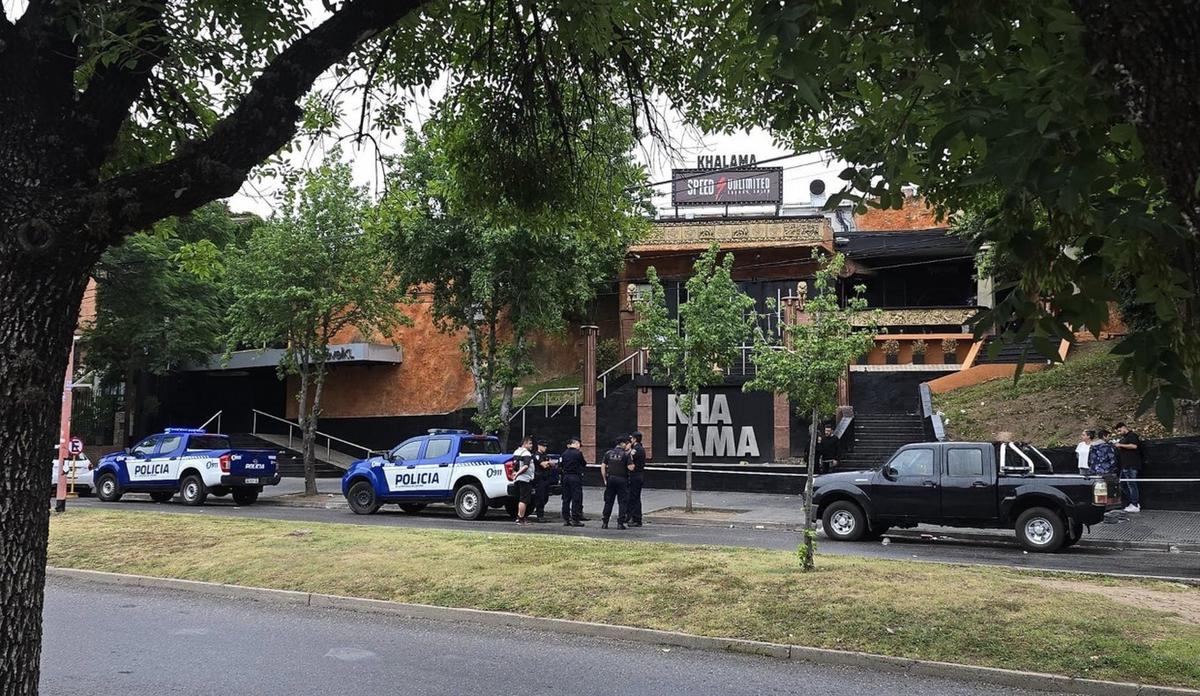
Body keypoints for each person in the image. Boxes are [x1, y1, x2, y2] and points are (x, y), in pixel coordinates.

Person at [600, 435, 631, 530]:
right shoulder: (626, 454)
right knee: (622, 501)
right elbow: (631, 467)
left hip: (611, 479)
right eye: (626, 444)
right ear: (622, 444)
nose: (627, 445)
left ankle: (605, 522)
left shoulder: (608, 453)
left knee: (608, 501)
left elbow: (603, 466)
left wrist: (605, 479)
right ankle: (620, 523)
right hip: (622, 480)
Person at [1114, 422, 1143, 512]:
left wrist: (1120, 445)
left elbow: (1134, 446)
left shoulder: (1132, 435)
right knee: (1122, 484)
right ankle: (1133, 502)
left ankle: (1135, 503)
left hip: (1131, 464)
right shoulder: (1125, 438)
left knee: (1131, 484)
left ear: (1124, 427)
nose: (1119, 432)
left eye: (1119, 430)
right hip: (1125, 465)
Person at [558, 436, 586, 526]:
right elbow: (583, 463)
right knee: (576, 498)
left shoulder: (564, 453)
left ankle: (566, 519)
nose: (579, 446)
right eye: (578, 444)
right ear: (575, 443)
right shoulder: (578, 453)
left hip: (565, 477)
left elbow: (560, 465)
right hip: (575, 477)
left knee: (566, 498)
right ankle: (575, 519)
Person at [511, 435, 536, 525]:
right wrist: (517, 474)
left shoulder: (516, 452)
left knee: (521, 499)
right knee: (524, 500)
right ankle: (520, 518)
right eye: (530, 443)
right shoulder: (526, 453)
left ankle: (520, 517)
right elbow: (526, 466)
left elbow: (514, 465)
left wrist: (515, 474)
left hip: (518, 479)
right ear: (525, 443)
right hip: (525, 479)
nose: (531, 445)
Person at [627, 431, 646, 527]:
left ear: (634, 439)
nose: (630, 440)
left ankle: (636, 519)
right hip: (638, 475)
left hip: (635, 475)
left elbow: (629, 457)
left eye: (631, 438)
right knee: (634, 497)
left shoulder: (636, 449)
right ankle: (634, 517)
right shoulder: (639, 448)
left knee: (634, 497)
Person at [531, 439, 553, 522]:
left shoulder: (545, 455)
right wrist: (548, 463)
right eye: (543, 446)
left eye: (546, 446)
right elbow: (543, 465)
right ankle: (540, 515)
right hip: (539, 478)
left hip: (546, 478)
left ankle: (540, 512)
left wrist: (548, 463)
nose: (545, 447)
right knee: (540, 497)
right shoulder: (536, 455)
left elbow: (552, 464)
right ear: (539, 446)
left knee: (545, 497)